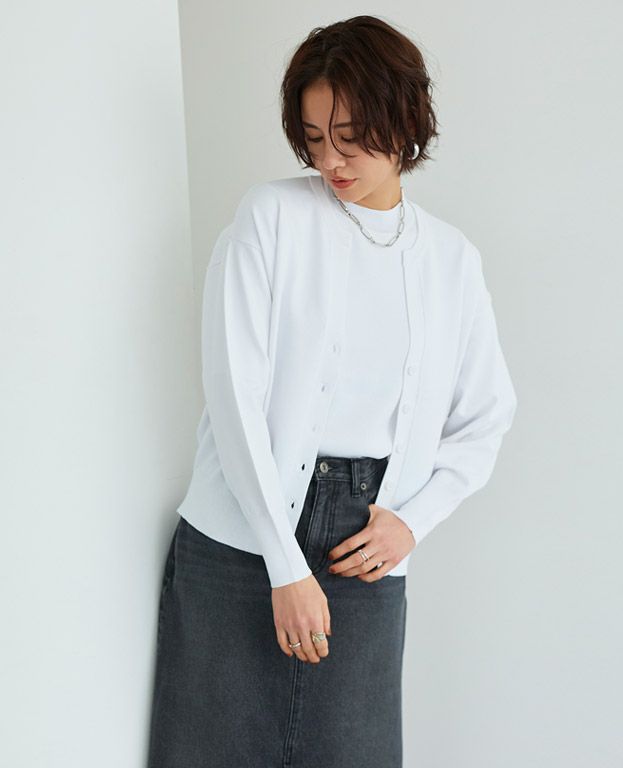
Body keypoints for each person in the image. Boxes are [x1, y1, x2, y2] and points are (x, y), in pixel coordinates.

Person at [146, 14, 517, 768]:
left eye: (350, 137)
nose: (330, 160)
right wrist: (284, 565)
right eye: (314, 138)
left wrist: (412, 523)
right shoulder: (271, 217)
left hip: (365, 546)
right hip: (240, 536)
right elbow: (233, 395)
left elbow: (486, 416)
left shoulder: (452, 261)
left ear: (403, 121)